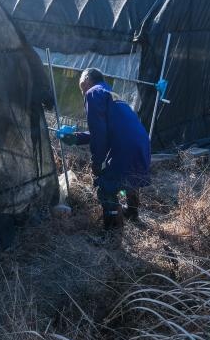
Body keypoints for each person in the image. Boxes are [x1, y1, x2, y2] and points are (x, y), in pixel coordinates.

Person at [59, 68, 151, 231]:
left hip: (125, 144)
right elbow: (103, 129)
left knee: (106, 187)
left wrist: (97, 162)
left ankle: (112, 233)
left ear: (87, 79)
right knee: (129, 179)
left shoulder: (93, 93)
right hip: (141, 141)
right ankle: (132, 213)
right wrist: (76, 137)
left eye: (80, 80)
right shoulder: (110, 93)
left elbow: (100, 134)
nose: (80, 85)